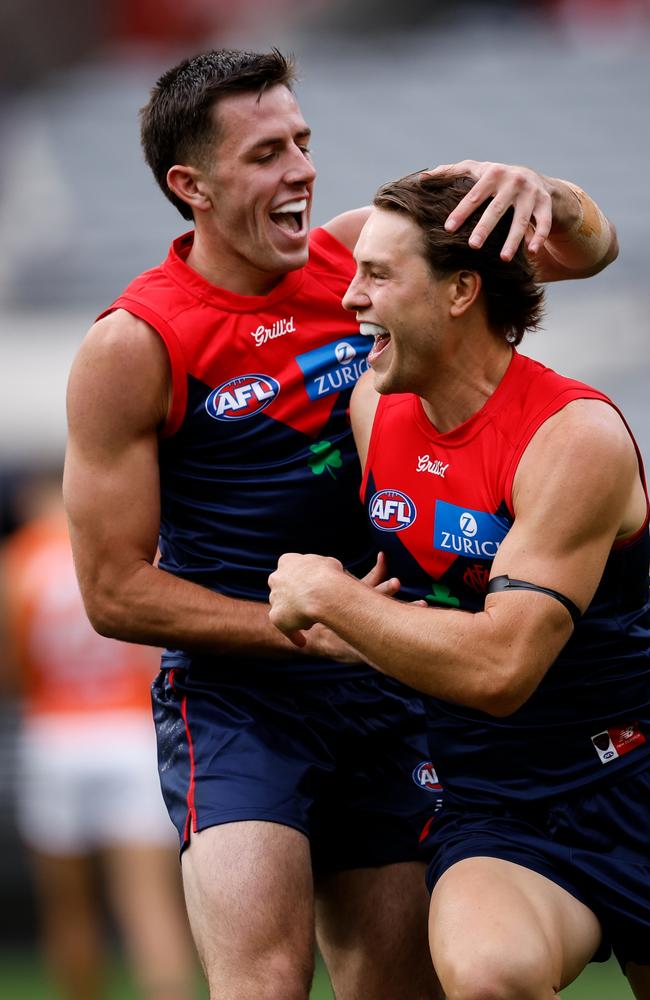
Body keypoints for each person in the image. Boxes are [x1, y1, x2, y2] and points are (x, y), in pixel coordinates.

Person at [63, 46, 619, 1000]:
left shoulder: (362, 259)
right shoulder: (135, 342)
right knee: (265, 982)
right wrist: (307, 632)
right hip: (241, 698)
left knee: (397, 984)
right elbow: (113, 590)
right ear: (190, 185)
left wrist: (549, 196)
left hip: (393, 676)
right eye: (267, 154)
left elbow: (583, 252)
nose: (302, 172)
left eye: (303, 142)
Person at [267, 170, 650, 999]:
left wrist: (330, 595)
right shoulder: (375, 403)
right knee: (486, 976)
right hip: (495, 806)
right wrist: (363, 626)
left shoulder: (572, 436)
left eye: (378, 276)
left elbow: (500, 670)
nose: (350, 298)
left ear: (460, 292)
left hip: (632, 776)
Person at [1, 471, 196, 1000]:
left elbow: (12, 674)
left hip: (55, 738)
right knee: (149, 907)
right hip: (130, 734)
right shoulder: (126, 554)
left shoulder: (18, 563)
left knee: (69, 912)